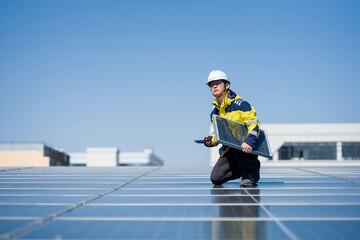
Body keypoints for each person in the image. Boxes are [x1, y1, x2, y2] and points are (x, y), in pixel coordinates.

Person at [204, 70, 261, 187]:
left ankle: (248, 174)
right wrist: (212, 140)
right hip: (229, 149)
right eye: (211, 84)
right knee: (216, 178)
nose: (214, 86)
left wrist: (249, 142)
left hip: (245, 148)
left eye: (218, 83)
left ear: (227, 85)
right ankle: (250, 168)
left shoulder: (241, 104)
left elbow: (254, 125)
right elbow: (219, 134)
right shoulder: (214, 113)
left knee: (235, 142)